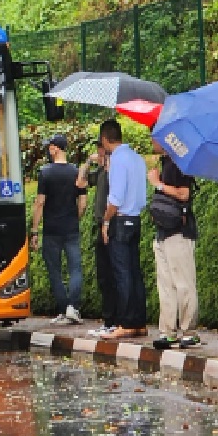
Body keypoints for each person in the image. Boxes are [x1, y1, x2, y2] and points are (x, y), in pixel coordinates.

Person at [98, 119, 149, 340]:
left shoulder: (118, 160)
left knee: (122, 273)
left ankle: (126, 322)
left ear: (104, 139)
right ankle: (139, 322)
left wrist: (106, 221)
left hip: (120, 221)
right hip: (135, 219)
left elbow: (115, 198)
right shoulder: (137, 158)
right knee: (134, 271)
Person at [148, 141, 200, 350]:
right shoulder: (165, 162)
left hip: (179, 230)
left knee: (184, 283)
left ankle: (189, 331)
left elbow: (183, 194)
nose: (151, 140)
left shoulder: (180, 163)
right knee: (166, 284)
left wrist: (157, 184)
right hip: (164, 231)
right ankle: (168, 331)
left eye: (154, 135)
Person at [30, 133, 87, 325]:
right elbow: (83, 202)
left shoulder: (45, 172)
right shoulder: (76, 171)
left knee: (54, 271)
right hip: (71, 228)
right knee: (75, 269)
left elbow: (40, 203)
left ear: (55, 148)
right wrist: (75, 217)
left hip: (51, 230)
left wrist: (34, 230)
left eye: (49, 146)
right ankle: (73, 307)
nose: (48, 150)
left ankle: (64, 309)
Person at [78, 138, 118, 338]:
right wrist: (87, 162)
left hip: (109, 225)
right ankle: (109, 319)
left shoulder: (113, 173)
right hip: (99, 225)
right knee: (103, 276)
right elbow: (80, 182)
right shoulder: (101, 172)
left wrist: (107, 222)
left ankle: (113, 320)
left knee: (111, 275)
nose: (98, 152)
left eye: (101, 149)